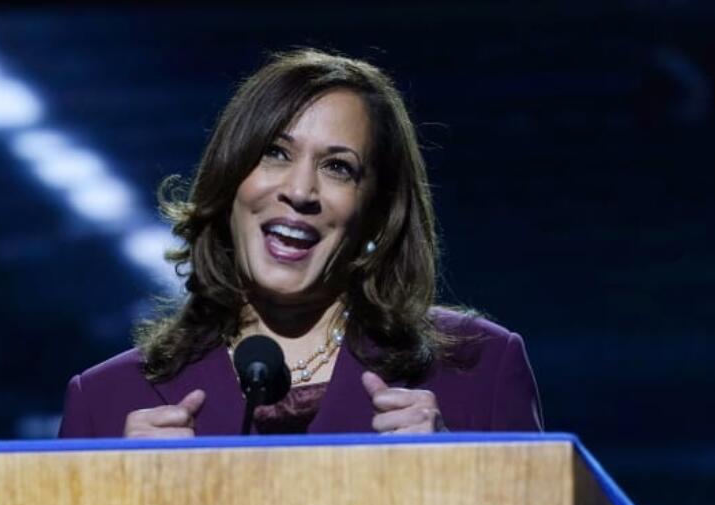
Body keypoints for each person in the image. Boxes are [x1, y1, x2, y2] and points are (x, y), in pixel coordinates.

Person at [59, 49, 542, 439]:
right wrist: (120, 493)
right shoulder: (107, 401)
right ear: (229, 183)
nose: (300, 191)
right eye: (275, 153)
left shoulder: (478, 371)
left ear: (377, 215)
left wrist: (460, 473)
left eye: (338, 168)